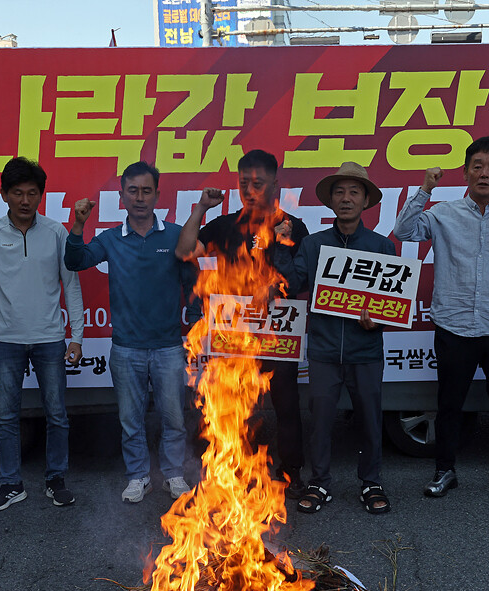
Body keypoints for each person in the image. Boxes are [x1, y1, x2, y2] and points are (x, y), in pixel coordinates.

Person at [393, 135, 489, 500]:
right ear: (465, 172)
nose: (484, 174)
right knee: (449, 404)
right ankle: (445, 471)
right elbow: (403, 231)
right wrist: (425, 189)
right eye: (477, 166)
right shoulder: (443, 214)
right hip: (453, 326)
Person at [0, 157, 85, 511]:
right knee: (7, 416)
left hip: (50, 339)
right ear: (4, 195)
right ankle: (11, 484)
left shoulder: (56, 233)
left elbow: (71, 286)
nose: (25, 200)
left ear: (41, 195)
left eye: (32, 193)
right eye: (17, 193)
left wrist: (77, 337)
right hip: (7, 340)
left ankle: (56, 479)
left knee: (57, 414)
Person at [177, 149, 309, 496]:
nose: (250, 190)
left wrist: (275, 283)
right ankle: (228, 472)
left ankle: (291, 473)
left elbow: (302, 281)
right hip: (235, 333)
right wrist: (202, 208)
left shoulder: (293, 226)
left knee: (287, 403)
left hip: (277, 331)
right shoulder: (224, 225)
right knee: (230, 405)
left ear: (275, 184)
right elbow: (185, 251)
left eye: (258, 183)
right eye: (244, 183)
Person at [64, 161, 195, 503]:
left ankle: (173, 475)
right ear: (121, 196)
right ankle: (138, 477)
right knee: (130, 420)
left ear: (157, 195)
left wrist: (196, 332)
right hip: (125, 349)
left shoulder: (176, 235)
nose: (140, 197)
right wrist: (78, 224)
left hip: (168, 347)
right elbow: (76, 261)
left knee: (174, 418)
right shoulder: (110, 239)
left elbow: (193, 286)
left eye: (146, 190)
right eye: (133, 190)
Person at [289, 162, 394, 514]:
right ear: (330, 201)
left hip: (366, 350)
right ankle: (320, 482)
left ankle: (372, 482)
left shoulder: (382, 246)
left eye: (354, 192)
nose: (346, 198)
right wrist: (276, 248)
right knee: (319, 419)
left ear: (366, 200)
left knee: (369, 417)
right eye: (339, 192)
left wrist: (375, 321)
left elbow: (392, 303)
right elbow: (291, 284)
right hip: (323, 349)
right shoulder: (312, 244)